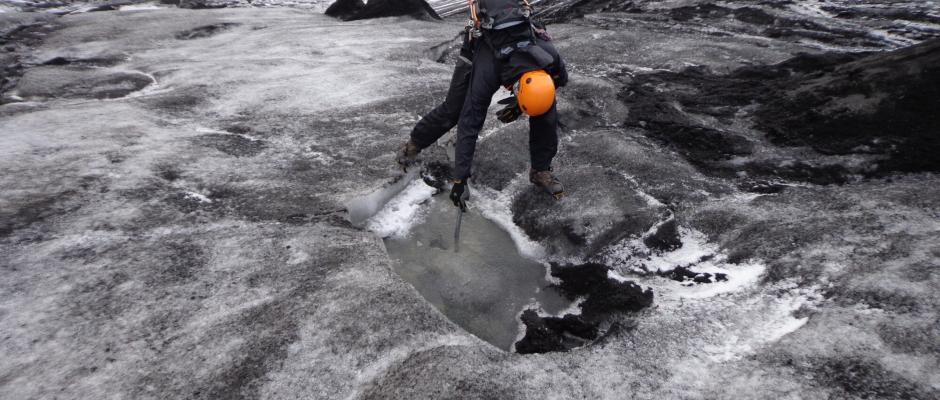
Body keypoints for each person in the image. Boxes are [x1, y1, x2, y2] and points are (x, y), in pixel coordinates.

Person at [398, 0, 568, 209]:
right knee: (454, 110)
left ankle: (541, 170)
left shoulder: (547, 55)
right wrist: (460, 180)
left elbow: (561, 79)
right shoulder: (487, 71)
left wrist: (519, 105)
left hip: (518, 55)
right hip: (482, 46)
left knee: (545, 106)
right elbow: (470, 122)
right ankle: (413, 145)